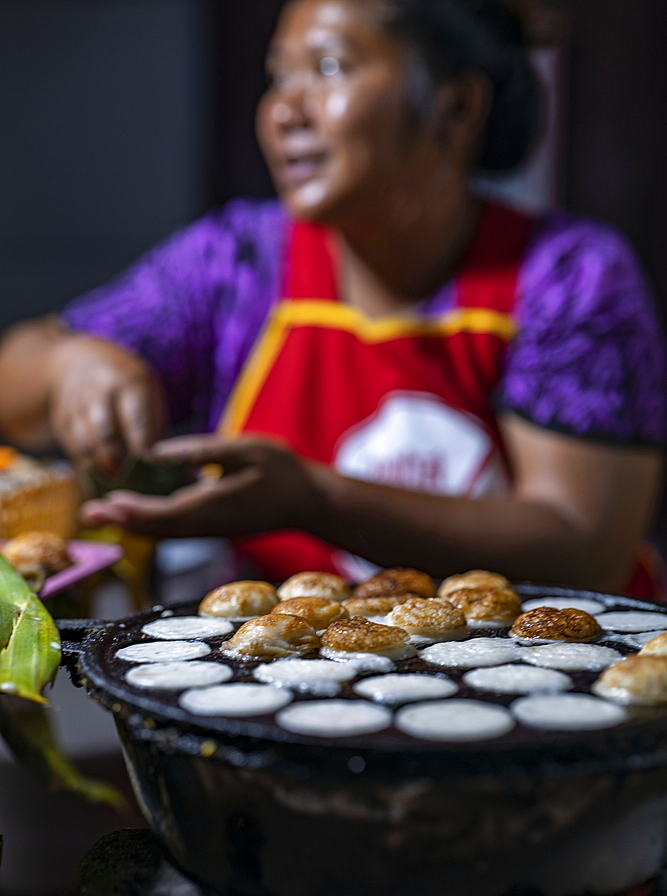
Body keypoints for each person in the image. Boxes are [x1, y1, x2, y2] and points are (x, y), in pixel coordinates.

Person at [0, 0, 665, 597]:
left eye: (327, 67)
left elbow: (583, 549)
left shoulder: (566, 274)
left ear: (455, 107)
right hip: (298, 689)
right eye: (277, 75)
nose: (285, 110)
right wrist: (71, 365)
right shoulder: (237, 261)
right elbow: (18, 380)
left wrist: (313, 498)